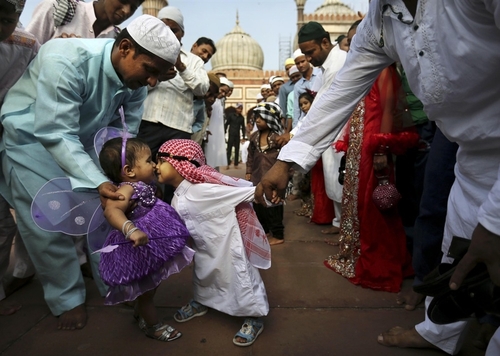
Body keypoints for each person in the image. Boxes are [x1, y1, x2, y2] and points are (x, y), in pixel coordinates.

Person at [255, 1, 500, 355]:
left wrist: (495, 222)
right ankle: (442, 332)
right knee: (458, 246)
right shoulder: (383, 18)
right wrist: (288, 161)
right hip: (471, 148)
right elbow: (342, 91)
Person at [0, 14, 180, 330]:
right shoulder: (65, 59)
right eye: (151, 71)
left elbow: (124, 133)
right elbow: (55, 130)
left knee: (105, 213)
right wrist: (97, 179)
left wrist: (118, 173)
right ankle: (66, 297)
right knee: (46, 222)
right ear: (125, 48)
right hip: (31, 139)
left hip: (83, 144)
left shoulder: (135, 81)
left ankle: (115, 280)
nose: (152, 82)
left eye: (160, 76)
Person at [155, 139, 270, 347]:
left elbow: (247, 192)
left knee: (239, 279)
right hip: (203, 248)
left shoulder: (203, 190)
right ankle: (202, 302)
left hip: (227, 247)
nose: (156, 166)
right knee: (204, 275)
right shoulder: (177, 196)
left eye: (161, 160)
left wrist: (267, 188)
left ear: (182, 162)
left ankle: (254, 317)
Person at [97, 137, 194, 341]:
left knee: (152, 281)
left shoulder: (141, 184)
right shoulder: (127, 189)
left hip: (152, 238)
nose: (154, 165)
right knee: (147, 290)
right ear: (130, 170)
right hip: (139, 243)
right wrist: (130, 229)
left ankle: (140, 311)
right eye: (149, 161)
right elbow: (111, 211)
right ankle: (152, 325)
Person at [0, 0, 38, 316]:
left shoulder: (26, 45)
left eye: (5, 19)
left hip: (11, 135)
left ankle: (16, 277)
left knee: (13, 216)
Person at [138, 6, 210, 156]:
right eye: (163, 27)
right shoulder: (146, 55)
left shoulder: (193, 61)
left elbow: (203, 89)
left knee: (174, 175)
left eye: (174, 30)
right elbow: (135, 89)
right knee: (144, 171)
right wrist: (157, 79)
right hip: (148, 123)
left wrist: (182, 68)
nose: (168, 33)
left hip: (178, 128)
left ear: (182, 33)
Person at [246, 102, 286, 246]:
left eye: (261, 118)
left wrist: (287, 175)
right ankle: (265, 229)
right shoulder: (254, 137)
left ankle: (278, 234)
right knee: (259, 204)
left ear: (270, 119)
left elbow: (286, 157)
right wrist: (249, 171)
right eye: (256, 117)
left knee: (274, 203)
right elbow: (250, 155)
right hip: (257, 176)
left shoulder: (277, 138)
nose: (257, 120)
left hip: (274, 178)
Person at [26, 0, 143, 44]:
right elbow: (23, 53)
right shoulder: (58, 8)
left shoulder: (116, 40)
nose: (126, 11)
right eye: (123, 1)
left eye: (133, 8)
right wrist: (54, 49)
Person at [225, 103, 246, 170]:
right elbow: (226, 124)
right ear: (236, 109)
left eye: (241, 109)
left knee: (237, 149)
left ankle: (236, 164)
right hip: (231, 134)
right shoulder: (231, 116)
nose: (240, 110)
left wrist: (243, 137)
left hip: (237, 135)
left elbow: (243, 127)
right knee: (229, 149)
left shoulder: (241, 118)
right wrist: (224, 131)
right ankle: (227, 163)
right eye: (238, 108)